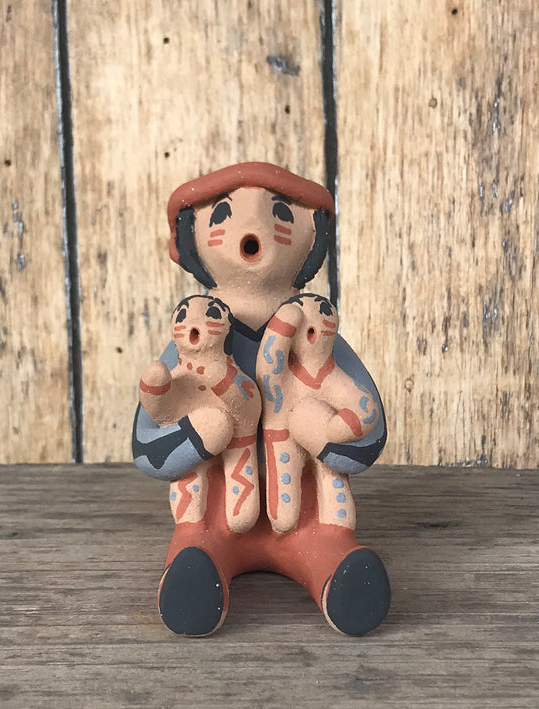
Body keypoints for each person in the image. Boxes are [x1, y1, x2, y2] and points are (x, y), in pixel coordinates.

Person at [133, 162, 390, 636]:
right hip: (215, 507)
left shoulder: (317, 329)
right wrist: (198, 435)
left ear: (314, 236)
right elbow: (147, 448)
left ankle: (335, 567)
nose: (252, 229)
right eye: (224, 213)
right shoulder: (196, 333)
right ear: (190, 240)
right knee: (201, 535)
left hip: (307, 504)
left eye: (281, 214)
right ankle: (199, 562)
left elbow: (369, 436)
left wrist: (327, 436)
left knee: (324, 536)